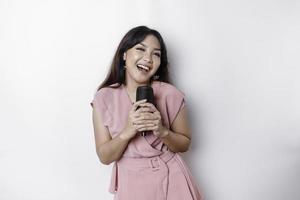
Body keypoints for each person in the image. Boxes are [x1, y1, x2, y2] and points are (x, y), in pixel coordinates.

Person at [90, 26, 203, 200]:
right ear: (124, 55)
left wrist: (162, 131)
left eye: (156, 54)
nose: (148, 58)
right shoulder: (104, 98)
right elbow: (105, 157)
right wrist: (127, 132)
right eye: (140, 49)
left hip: (172, 181)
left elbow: (184, 144)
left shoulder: (170, 94)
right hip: (131, 187)